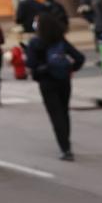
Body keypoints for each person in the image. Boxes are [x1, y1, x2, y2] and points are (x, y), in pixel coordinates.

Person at [25, 13, 85, 160]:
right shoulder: (60, 40)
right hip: (63, 79)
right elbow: (80, 57)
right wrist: (70, 68)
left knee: (55, 114)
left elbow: (31, 64)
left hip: (46, 81)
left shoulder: (34, 42)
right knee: (64, 112)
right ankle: (66, 143)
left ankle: (65, 148)